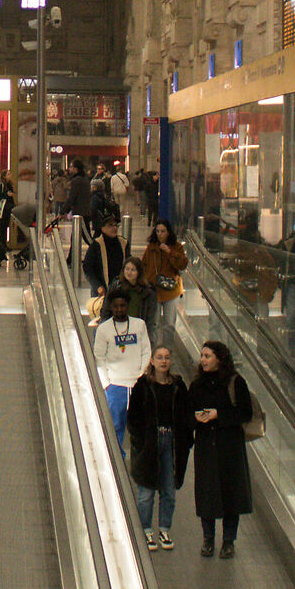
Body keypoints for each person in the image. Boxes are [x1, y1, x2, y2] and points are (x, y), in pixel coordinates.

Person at [187, 338, 255, 558]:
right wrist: (196, 418)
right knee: (207, 493)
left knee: (230, 494)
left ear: (219, 359)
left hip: (230, 448)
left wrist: (219, 415)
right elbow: (186, 413)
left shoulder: (235, 382)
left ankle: (228, 541)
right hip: (206, 446)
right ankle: (208, 538)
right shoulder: (197, 385)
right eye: (202, 356)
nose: (203, 360)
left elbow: (245, 413)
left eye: (208, 356)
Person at [128, 343, 192, 549]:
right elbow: (133, 417)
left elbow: (186, 414)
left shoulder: (178, 386)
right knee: (146, 493)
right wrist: (140, 442)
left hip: (171, 442)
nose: (164, 361)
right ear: (152, 361)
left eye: (167, 357)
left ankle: (164, 529)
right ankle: (145, 530)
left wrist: (186, 440)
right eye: (160, 357)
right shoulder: (143, 386)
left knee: (169, 490)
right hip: (149, 443)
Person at [92, 290, 146, 448]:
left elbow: (146, 351)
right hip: (115, 386)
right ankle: (116, 459)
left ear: (127, 306)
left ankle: (139, 459)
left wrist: (141, 375)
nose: (119, 309)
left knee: (141, 427)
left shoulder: (139, 325)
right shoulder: (104, 329)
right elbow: (99, 357)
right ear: (111, 307)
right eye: (116, 306)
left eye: (122, 305)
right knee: (115, 427)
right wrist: (106, 383)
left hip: (137, 385)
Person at [141, 220, 188, 335]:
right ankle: (155, 344)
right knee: (154, 323)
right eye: (157, 231)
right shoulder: (151, 248)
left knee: (169, 323)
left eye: (162, 231)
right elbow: (144, 265)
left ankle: (168, 344)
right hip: (155, 289)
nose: (160, 234)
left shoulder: (176, 247)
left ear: (168, 232)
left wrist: (170, 252)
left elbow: (182, 264)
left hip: (171, 290)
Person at [83, 212, 125, 307]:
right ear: (102, 228)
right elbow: (88, 268)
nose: (114, 228)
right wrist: (98, 286)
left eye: (116, 225)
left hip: (119, 291)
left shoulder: (123, 243)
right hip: (101, 292)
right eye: (110, 225)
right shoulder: (96, 245)